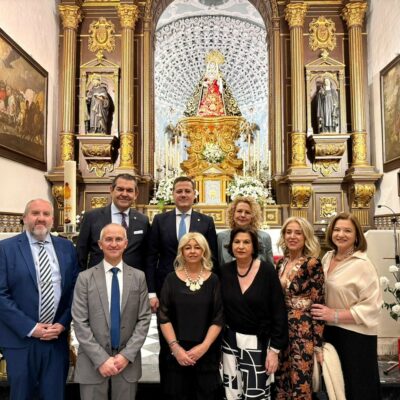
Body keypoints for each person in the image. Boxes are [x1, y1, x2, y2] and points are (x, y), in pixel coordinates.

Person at [0, 199, 79, 400]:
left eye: (46, 214)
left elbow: (75, 290)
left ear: (53, 219)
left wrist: (62, 323)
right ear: (25, 218)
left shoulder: (67, 248)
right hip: (20, 339)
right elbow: (1, 294)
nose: (41, 218)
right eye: (35, 213)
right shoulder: (5, 248)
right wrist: (31, 327)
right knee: (21, 395)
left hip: (56, 339)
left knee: (54, 395)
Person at [72, 223, 151, 400]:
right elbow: (79, 321)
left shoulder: (138, 277)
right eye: (108, 239)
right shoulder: (85, 278)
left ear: (126, 243)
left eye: (118, 239)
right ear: (100, 244)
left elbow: (144, 318)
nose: (113, 244)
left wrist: (126, 355)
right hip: (92, 362)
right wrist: (101, 359)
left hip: (127, 363)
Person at [311, 212, 382, 400]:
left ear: (357, 235)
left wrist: (334, 315)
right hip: (331, 332)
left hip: (355, 336)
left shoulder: (363, 264)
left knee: (357, 388)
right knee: (336, 389)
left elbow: (372, 307)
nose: (341, 234)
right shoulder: (327, 257)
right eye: (337, 229)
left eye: (347, 231)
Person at [220, 227, 287, 400]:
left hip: (258, 343)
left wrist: (274, 351)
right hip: (230, 342)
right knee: (232, 393)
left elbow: (279, 312)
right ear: (230, 245)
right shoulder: (224, 271)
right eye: (237, 242)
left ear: (254, 246)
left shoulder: (267, 271)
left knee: (256, 394)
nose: (241, 246)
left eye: (246, 242)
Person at [158, 232, 223, 400]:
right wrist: (175, 348)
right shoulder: (171, 279)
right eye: (188, 247)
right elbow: (163, 316)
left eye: (197, 247)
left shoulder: (214, 280)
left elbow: (218, 317)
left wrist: (204, 347)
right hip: (176, 353)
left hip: (206, 351)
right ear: (181, 251)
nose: (192, 251)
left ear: (204, 251)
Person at [146, 176, 218, 312]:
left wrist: (213, 290)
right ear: (173, 194)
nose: (183, 195)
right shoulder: (160, 220)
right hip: (165, 284)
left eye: (187, 191)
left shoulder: (206, 221)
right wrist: (151, 292)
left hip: (198, 284)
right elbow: (151, 258)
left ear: (194, 194)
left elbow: (212, 257)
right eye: (179, 191)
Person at [274, 217, 325, 400]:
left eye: (298, 232)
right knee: (282, 380)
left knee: (300, 383)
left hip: (303, 331)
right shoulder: (281, 263)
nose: (292, 236)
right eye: (288, 232)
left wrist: (318, 344)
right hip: (281, 328)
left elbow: (318, 304)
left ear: (306, 237)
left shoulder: (313, 264)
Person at [77, 173, 150, 271]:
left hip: (132, 278)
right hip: (98, 277)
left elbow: (148, 256)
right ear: (111, 190)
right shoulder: (91, 217)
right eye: (120, 189)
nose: (124, 194)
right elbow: (81, 254)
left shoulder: (143, 221)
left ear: (135, 194)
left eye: (129, 190)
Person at [217, 196, 274, 268]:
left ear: (253, 216)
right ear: (233, 213)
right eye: (239, 211)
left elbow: (270, 267)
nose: (243, 215)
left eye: (247, 212)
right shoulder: (221, 237)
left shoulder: (264, 237)